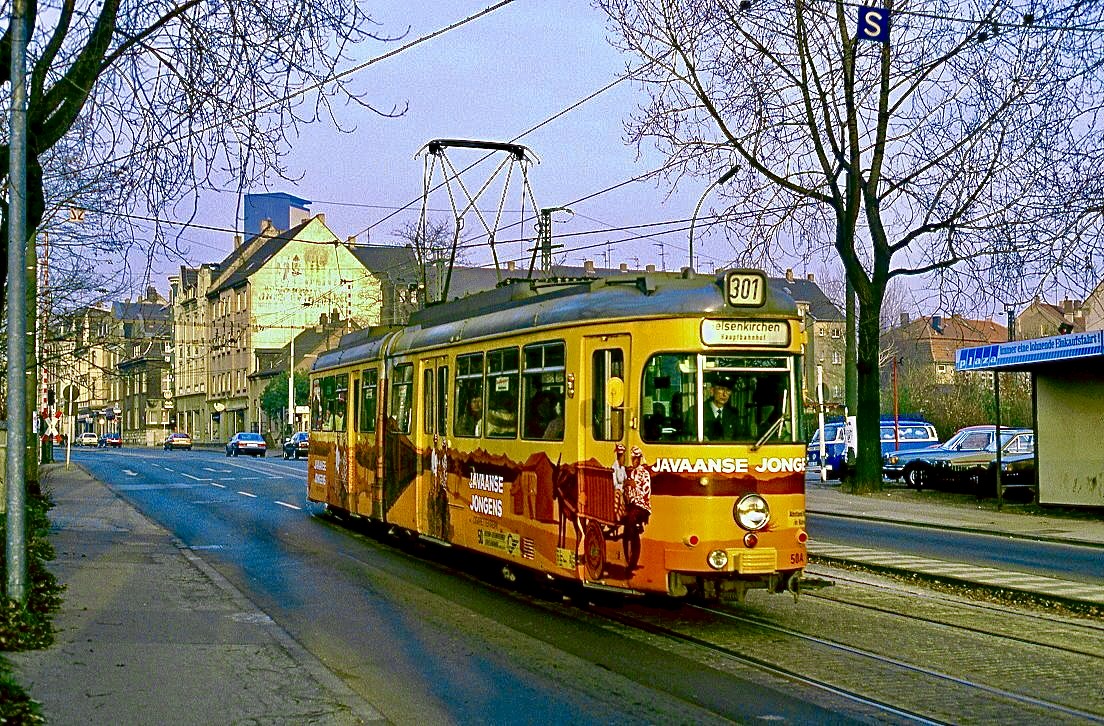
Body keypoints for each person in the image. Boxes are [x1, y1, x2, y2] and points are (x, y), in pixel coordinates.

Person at [687, 373, 741, 441]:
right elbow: (689, 438)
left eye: (728, 390)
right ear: (712, 391)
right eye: (721, 389)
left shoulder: (733, 414)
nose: (725, 394)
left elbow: (739, 439)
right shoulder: (696, 411)